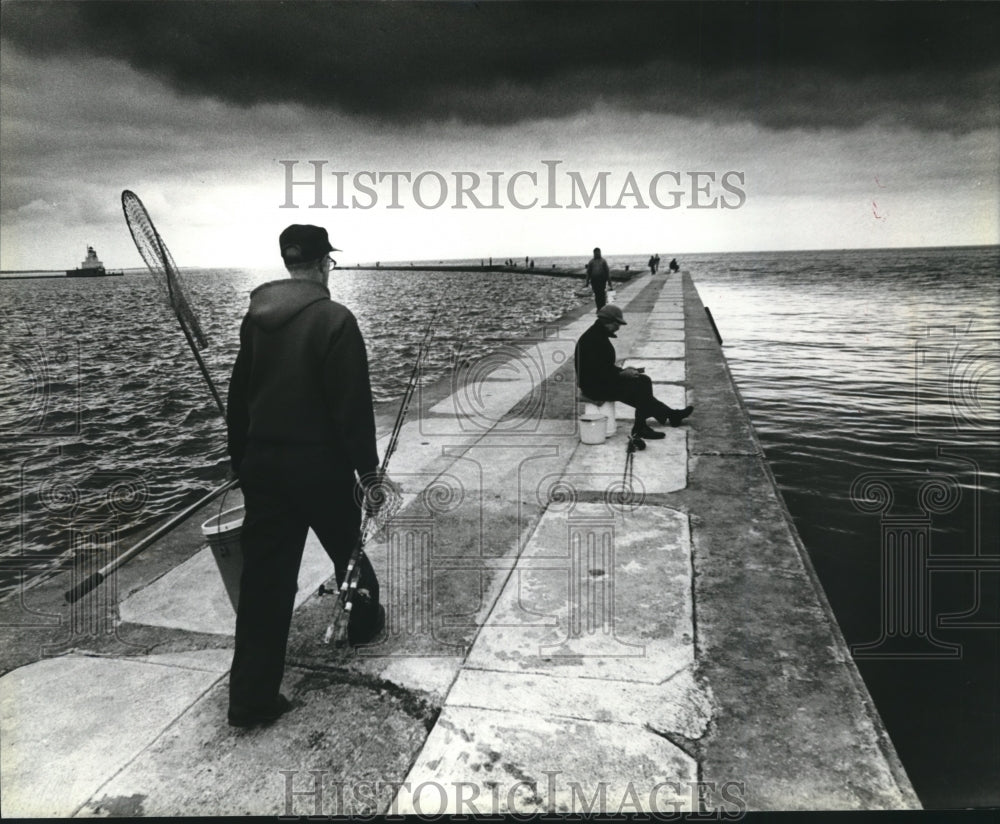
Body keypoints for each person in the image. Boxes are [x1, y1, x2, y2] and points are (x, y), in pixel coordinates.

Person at [225, 224, 390, 727]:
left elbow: (239, 402)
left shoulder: (255, 320)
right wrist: (368, 473)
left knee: (264, 584)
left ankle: (250, 701)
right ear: (323, 265)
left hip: (265, 469)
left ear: (287, 262)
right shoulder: (335, 320)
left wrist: (243, 464)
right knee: (349, 552)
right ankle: (362, 626)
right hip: (319, 470)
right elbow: (352, 410)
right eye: (329, 263)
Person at [575, 304, 694, 442]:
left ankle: (671, 416)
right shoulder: (593, 340)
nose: (618, 327)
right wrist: (621, 375)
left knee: (641, 388)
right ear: (607, 321)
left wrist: (623, 371)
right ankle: (641, 427)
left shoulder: (596, 335)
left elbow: (602, 368)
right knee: (643, 383)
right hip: (593, 388)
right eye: (617, 324)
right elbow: (596, 373)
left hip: (599, 382)